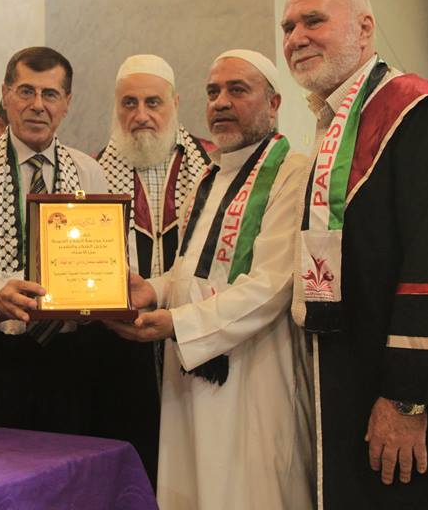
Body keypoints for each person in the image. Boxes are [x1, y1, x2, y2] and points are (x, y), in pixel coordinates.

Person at [281, 0, 428, 508]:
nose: (295, 37)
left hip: (412, 398)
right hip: (355, 373)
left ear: (365, 30)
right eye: (288, 27)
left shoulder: (420, 113)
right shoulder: (339, 123)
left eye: (313, 21)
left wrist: (409, 399)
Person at [108, 50, 312, 510]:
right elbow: (192, 269)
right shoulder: (209, 175)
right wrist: (153, 289)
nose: (221, 102)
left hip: (254, 374)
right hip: (189, 374)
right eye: (213, 92)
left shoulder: (293, 173)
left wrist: (177, 323)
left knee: (247, 491)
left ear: (274, 103)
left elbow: (272, 286)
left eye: (237, 90)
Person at [0, 46, 109, 434]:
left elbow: (107, 256)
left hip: (70, 357)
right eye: (26, 91)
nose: (37, 105)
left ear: (67, 102)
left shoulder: (90, 172)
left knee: (69, 464)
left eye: (50, 94)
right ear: (5, 94)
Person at [95, 53, 211, 483]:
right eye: (129, 103)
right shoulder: (91, 171)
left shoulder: (213, 167)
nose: (140, 115)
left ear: (175, 104)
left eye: (153, 102)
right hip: (121, 349)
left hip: (195, 342)